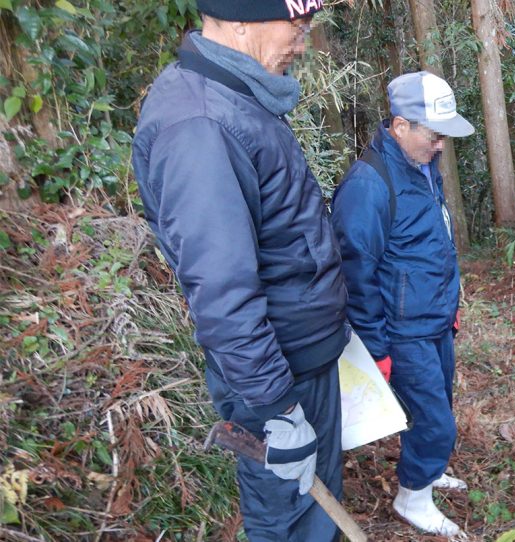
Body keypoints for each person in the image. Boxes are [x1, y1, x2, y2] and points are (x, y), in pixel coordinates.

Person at [131, 1, 349, 539]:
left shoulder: (239, 97)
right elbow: (222, 290)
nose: (302, 42)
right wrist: (277, 407)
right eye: (296, 27)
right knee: (290, 516)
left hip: (299, 358)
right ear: (241, 19)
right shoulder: (201, 125)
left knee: (316, 505)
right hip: (275, 378)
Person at [330, 71, 474, 536]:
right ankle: (412, 498)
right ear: (399, 126)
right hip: (402, 332)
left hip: (435, 323)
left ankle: (425, 475)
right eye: (434, 136)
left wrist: (450, 306)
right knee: (435, 423)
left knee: (437, 408)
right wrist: (377, 348)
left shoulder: (422, 168)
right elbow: (355, 273)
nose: (440, 147)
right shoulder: (368, 185)